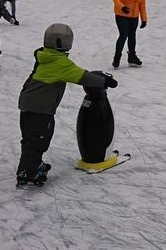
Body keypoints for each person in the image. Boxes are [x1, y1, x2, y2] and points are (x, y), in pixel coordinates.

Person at [16, 23, 118, 187]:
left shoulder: (44, 56)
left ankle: (31, 165)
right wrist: (104, 81)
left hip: (27, 104)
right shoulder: (60, 62)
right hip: (40, 109)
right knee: (39, 140)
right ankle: (28, 171)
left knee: (30, 138)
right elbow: (82, 76)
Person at [111, 0, 148, 68]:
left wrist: (144, 19)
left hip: (134, 16)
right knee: (124, 35)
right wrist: (122, 7)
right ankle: (117, 57)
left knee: (132, 35)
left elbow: (142, 5)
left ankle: (132, 58)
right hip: (121, 14)